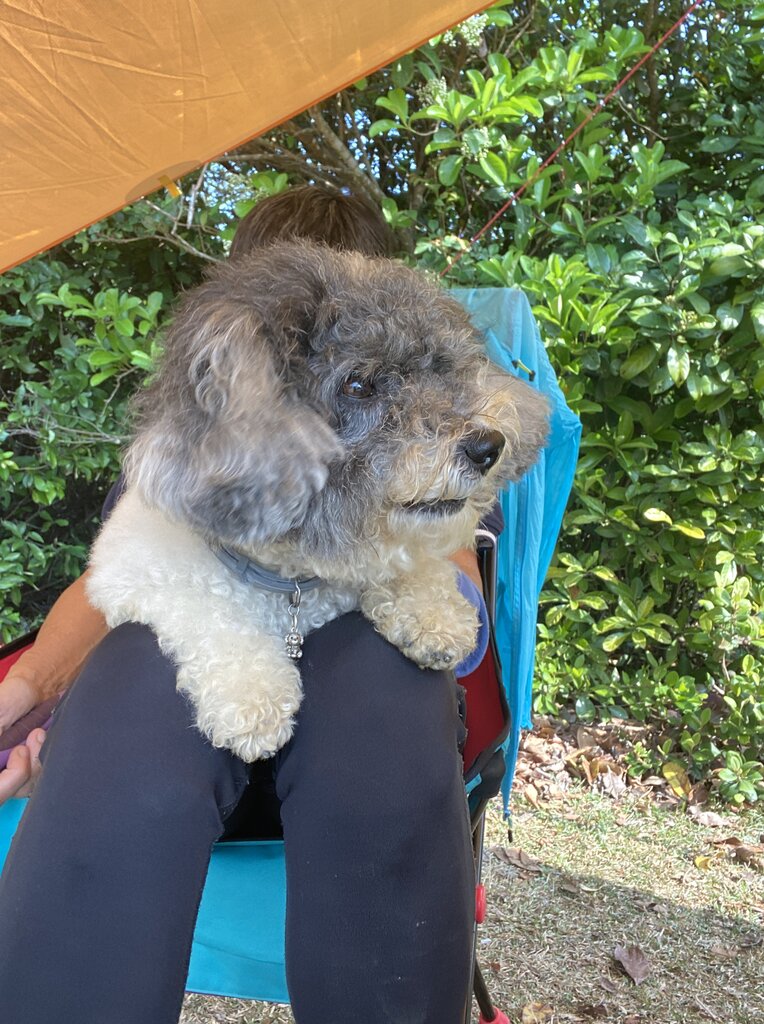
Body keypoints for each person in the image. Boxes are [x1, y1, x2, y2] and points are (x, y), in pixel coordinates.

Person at [0, 186, 499, 1024]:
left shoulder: (435, 434)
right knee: (140, 663)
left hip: (360, 746)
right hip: (176, 749)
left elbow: (455, 604)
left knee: (386, 668)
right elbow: (115, 578)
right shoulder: (199, 438)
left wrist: (378, 531)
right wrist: (26, 697)